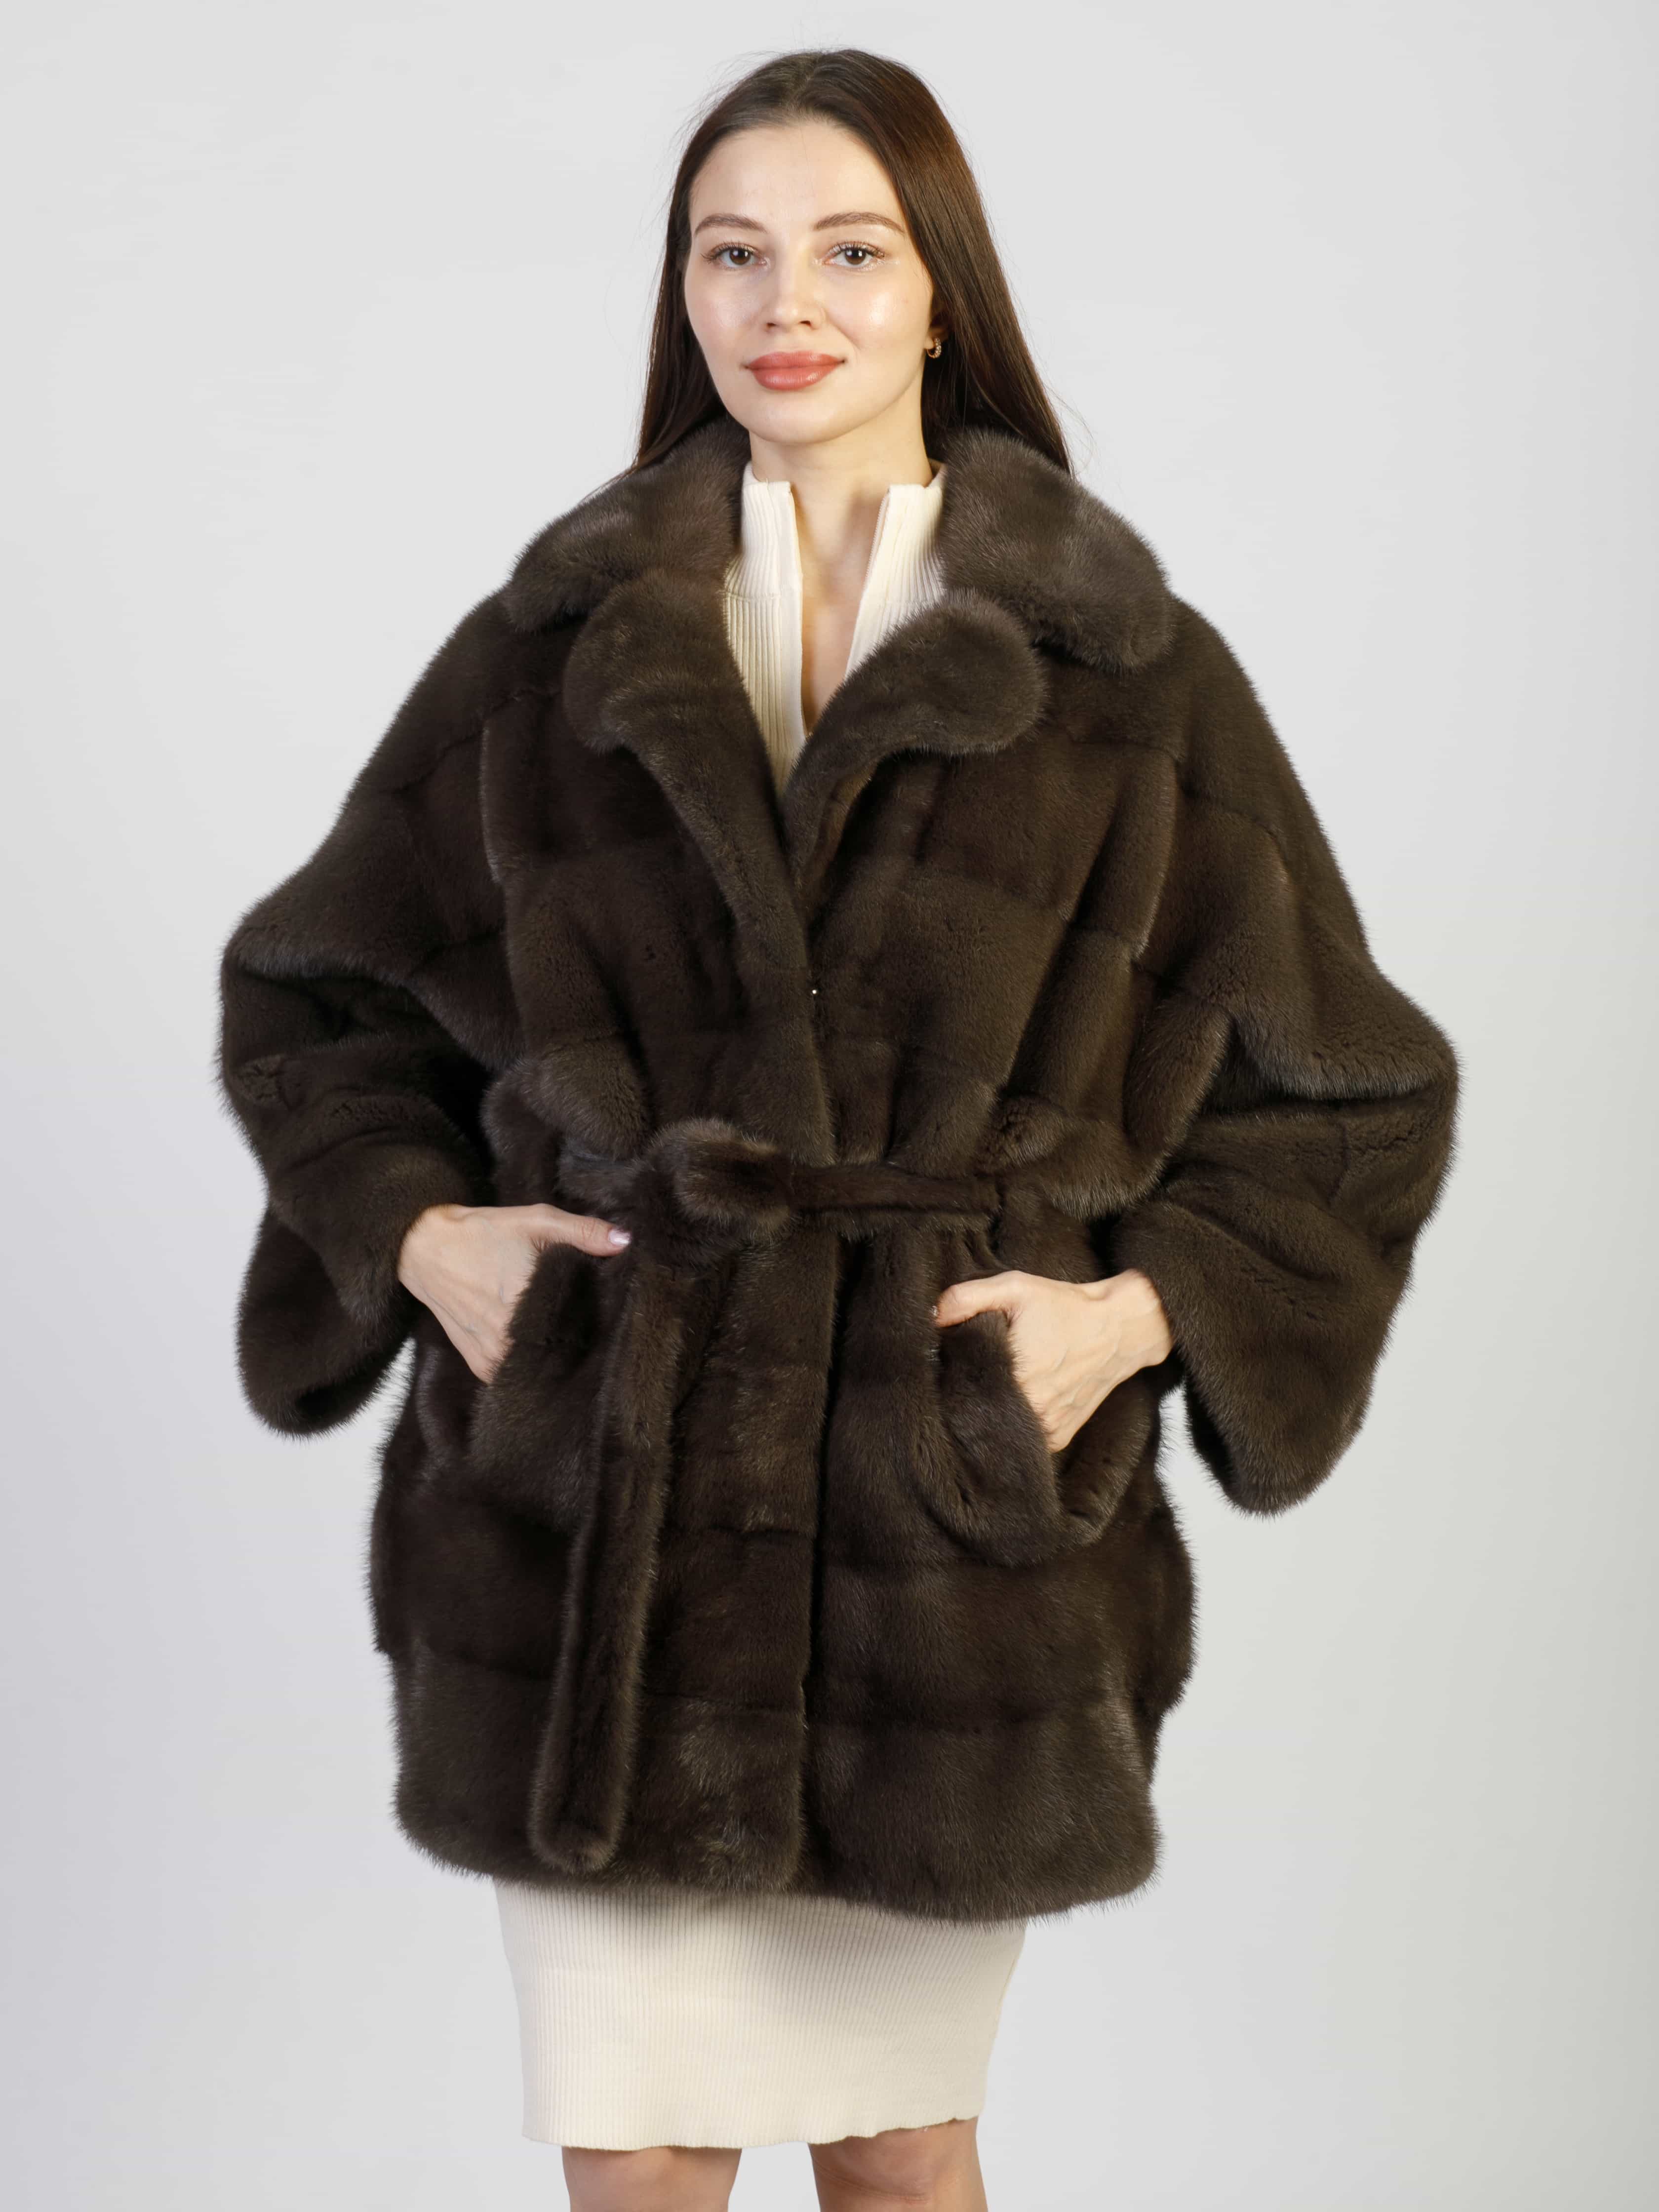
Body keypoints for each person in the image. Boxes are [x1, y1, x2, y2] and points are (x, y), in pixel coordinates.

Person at [215, 46, 1461, 2212]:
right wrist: (427, 1238)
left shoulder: (1121, 673)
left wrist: (1130, 1319)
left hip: (933, 1542)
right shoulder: (549, 654)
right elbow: (316, 1000)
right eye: (733, 253)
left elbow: (1352, 1086)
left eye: (851, 251)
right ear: (683, 293)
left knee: (900, 2157)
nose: (787, 302)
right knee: (635, 2161)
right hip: (604, 1531)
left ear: (939, 289)